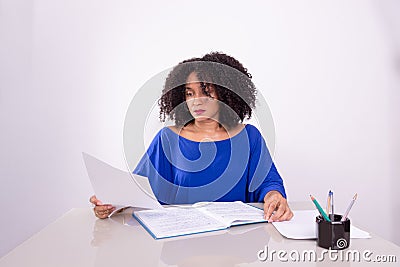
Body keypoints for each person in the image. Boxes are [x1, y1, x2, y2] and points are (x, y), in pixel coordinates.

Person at [90, 52, 293, 222]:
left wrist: (274, 196)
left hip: (238, 239)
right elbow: (139, 190)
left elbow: (268, 182)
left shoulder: (249, 137)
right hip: (181, 238)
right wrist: (110, 203)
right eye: (189, 93)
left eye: (206, 91)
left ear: (225, 93)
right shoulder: (168, 139)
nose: (196, 101)